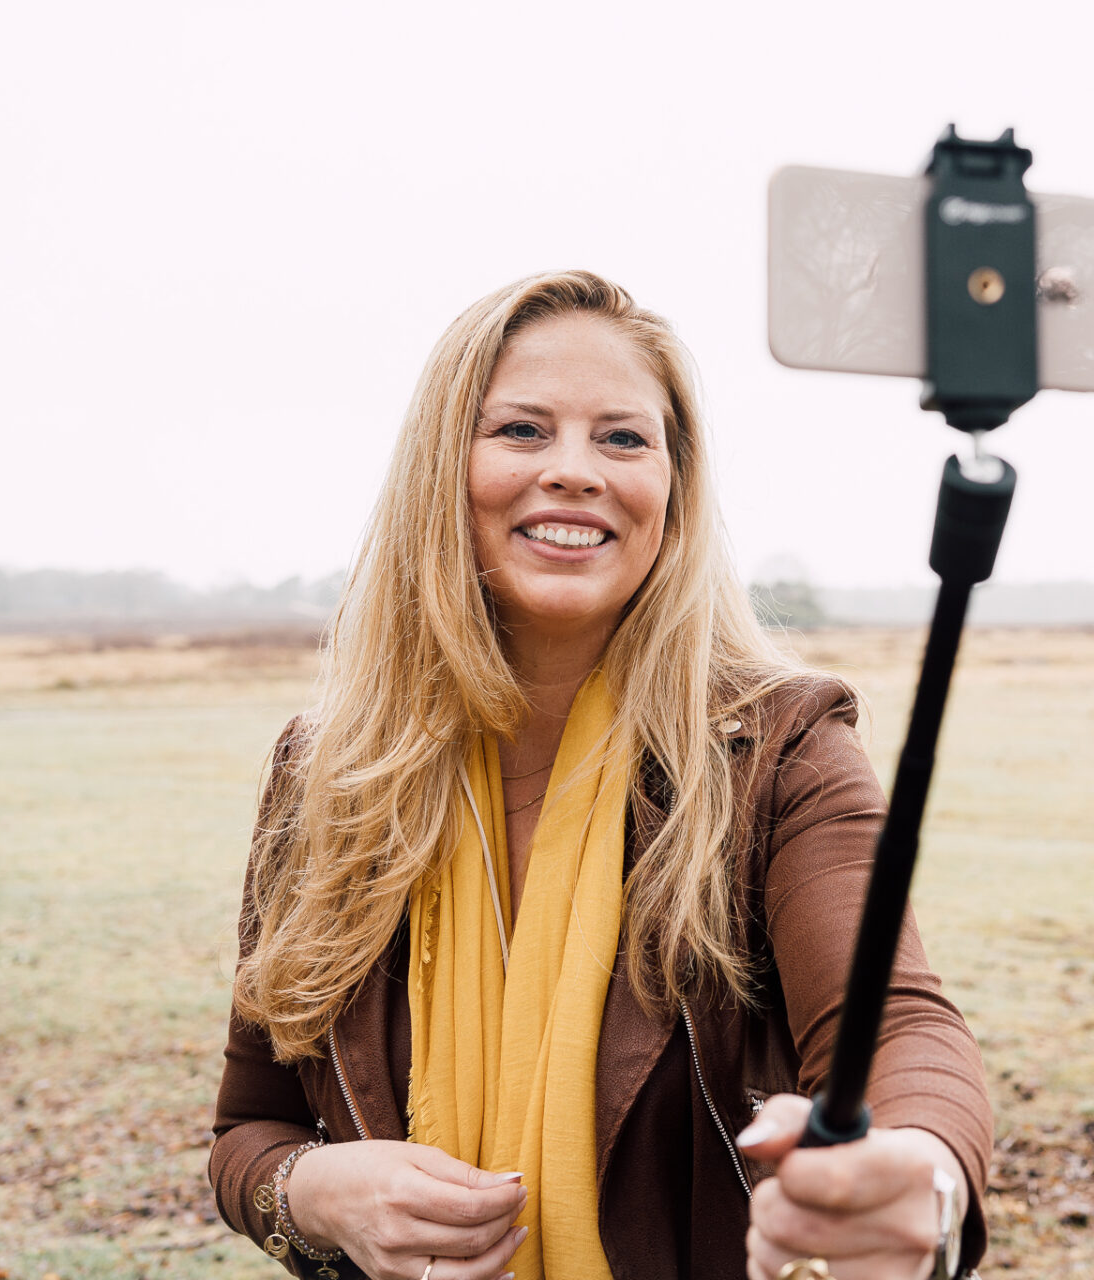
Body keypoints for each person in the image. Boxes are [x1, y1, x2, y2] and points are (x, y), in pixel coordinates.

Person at [209, 271, 993, 1280]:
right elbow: (249, 1127)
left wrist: (919, 1172)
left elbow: (897, 1022)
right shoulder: (327, 774)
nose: (576, 470)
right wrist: (311, 1193)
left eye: (623, 438)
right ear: (442, 467)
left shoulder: (778, 747)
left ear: (674, 487)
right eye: (523, 431)